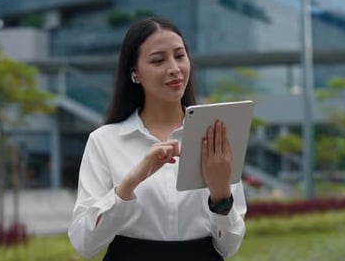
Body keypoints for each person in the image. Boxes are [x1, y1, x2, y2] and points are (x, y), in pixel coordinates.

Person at [68, 17, 246, 261]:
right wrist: (129, 184)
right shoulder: (104, 141)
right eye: (158, 60)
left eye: (180, 56)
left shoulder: (214, 135)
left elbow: (229, 247)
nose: (173, 68)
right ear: (134, 73)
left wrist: (220, 194)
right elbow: (84, 244)